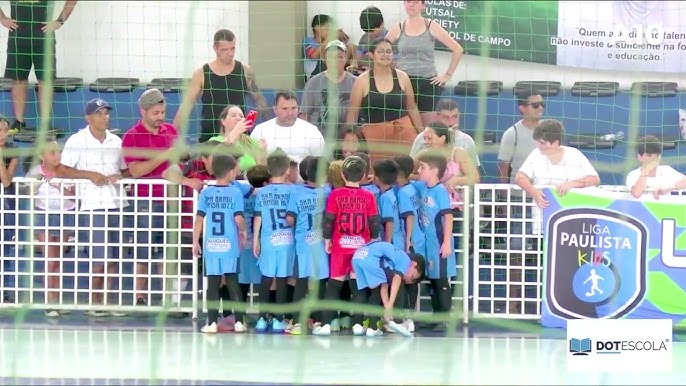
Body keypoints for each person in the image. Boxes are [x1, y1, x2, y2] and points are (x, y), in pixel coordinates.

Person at [59, 98, 129, 317]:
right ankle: (94, 300)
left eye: (106, 112)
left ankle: (109, 300)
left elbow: (125, 169)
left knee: (115, 257)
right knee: (100, 258)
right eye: (100, 113)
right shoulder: (76, 140)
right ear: (88, 118)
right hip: (93, 205)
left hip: (118, 203)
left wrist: (120, 176)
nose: (105, 116)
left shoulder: (116, 141)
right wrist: (89, 174)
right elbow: (63, 169)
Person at [122, 88, 181, 308]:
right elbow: (136, 171)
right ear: (143, 111)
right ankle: (139, 297)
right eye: (156, 112)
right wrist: (166, 154)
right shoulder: (132, 136)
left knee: (168, 251)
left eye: (163, 112)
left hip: (172, 201)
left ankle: (168, 299)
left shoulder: (171, 131)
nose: (160, 117)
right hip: (145, 202)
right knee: (143, 250)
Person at [314, 155, 380, 336]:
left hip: (340, 247)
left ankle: (326, 323)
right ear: (364, 175)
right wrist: (374, 239)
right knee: (357, 286)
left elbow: (328, 220)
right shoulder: (369, 196)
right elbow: (374, 221)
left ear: (342, 174)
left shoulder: (336, 194)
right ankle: (357, 324)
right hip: (361, 248)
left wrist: (327, 239)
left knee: (334, 286)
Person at [173, 29, 271, 143]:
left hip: (238, 139)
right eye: (225, 49)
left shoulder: (245, 71)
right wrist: (172, 136)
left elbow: (260, 101)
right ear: (215, 48)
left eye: (233, 48)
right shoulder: (201, 74)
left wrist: (271, 126)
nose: (230, 53)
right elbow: (186, 107)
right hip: (210, 139)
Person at [1, 0, 77, 133]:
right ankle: (19, 121)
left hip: (44, 37)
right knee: (18, 79)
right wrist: (2, 18)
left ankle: (45, 123)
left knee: (45, 80)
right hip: (18, 36)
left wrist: (60, 21)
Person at [193, 153, 248, 334]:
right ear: (231, 172)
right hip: (229, 244)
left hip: (211, 246)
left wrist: (195, 242)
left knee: (213, 284)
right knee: (233, 282)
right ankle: (239, 322)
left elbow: (199, 219)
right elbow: (238, 217)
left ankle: (211, 323)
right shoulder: (235, 192)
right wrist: (243, 230)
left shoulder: (206, 193)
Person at [385, 0, 464, 126]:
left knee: (428, 129)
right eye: (408, 2)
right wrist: (389, 71)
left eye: (415, 2)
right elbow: (380, 50)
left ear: (423, 5)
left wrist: (447, 75)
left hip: (427, 83)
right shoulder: (398, 27)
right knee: (405, 128)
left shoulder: (431, 26)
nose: (411, 5)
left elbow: (458, 49)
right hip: (403, 83)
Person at [346, 38, 422, 164]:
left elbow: (412, 108)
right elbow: (353, 114)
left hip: (404, 134)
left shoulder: (402, 77)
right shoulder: (362, 81)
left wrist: (422, 135)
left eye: (389, 51)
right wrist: (350, 140)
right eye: (380, 51)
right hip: (375, 137)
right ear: (371, 55)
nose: (385, 55)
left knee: (408, 171)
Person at [24, 141, 75, 317]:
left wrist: (61, 187)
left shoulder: (67, 171)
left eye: (58, 152)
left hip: (65, 214)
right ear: (41, 156)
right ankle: (50, 300)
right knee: (50, 260)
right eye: (52, 152)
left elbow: (76, 197)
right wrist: (36, 185)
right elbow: (25, 192)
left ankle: (57, 300)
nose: (57, 155)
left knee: (58, 260)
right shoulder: (35, 171)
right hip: (43, 214)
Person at [285, 156, 331, 334]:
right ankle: (319, 322)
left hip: (303, 245)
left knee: (301, 282)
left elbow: (290, 219)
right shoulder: (327, 191)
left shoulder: (297, 192)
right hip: (322, 244)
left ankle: (297, 323)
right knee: (320, 282)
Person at [252, 150, 296, 333]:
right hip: (287, 240)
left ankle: (261, 319)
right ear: (287, 170)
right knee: (283, 279)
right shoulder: (294, 190)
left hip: (268, 240)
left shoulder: (262, 193)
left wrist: (256, 239)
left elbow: (258, 217)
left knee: (266, 279)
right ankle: (279, 320)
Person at [515, 119, 600, 209]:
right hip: (542, 211)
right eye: (537, 142)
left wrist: (571, 184)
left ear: (555, 143)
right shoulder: (536, 154)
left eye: (542, 143)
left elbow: (595, 179)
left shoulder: (574, 154)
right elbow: (519, 177)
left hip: (570, 209)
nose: (539, 146)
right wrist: (534, 192)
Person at [415, 149, 457, 331]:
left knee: (441, 281)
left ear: (433, 170)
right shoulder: (423, 187)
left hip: (440, 242)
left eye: (422, 167)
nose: (418, 171)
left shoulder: (440, 191)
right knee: (432, 280)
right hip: (429, 243)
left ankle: (445, 318)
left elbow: (448, 217)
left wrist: (446, 241)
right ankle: (435, 316)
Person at [351, 241, 425, 337]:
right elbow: (397, 280)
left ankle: (359, 326)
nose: (407, 279)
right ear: (414, 264)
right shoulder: (405, 259)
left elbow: (384, 287)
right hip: (370, 258)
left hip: (358, 257)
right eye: (412, 276)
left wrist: (387, 307)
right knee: (376, 294)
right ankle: (372, 328)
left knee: (370, 290)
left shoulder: (389, 263)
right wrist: (390, 305)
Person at [249, 91, 325, 164]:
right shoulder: (260, 130)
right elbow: (250, 163)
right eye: (285, 109)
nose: (290, 113)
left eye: (294, 108)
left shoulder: (311, 131)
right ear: (275, 110)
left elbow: (322, 163)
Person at [300, 40, 357, 138]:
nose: (336, 60)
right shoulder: (313, 83)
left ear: (345, 59)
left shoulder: (355, 82)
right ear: (324, 59)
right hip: (318, 138)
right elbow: (304, 115)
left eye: (340, 56)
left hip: (345, 141)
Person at [418, 121, 480, 208]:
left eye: (429, 138)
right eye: (425, 139)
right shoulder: (423, 155)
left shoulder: (458, 153)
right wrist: (423, 177)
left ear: (442, 138)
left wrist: (457, 180)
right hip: (429, 205)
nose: (426, 142)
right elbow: (407, 174)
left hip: (454, 206)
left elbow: (475, 177)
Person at [409, 99, 480, 168]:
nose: (451, 123)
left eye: (455, 117)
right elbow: (411, 170)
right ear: (437, 117)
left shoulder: (467, 140)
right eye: (446, 118)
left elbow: (474, 173)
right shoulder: (422, 138)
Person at [208, 105, 267, 173]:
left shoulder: (251, 142)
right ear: (223, 121)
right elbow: (215, 164)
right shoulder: (214, 141)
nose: (238, 118)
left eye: (241, 116)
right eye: (233, 116)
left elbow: (261, 169)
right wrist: (236, 130)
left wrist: (262, 151)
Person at [0, 115, 18, 303]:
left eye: (5, 130)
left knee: (4, 249)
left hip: (6, 204)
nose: (3, 135)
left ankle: (3, 291)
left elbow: (6, 180)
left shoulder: (12, 151)